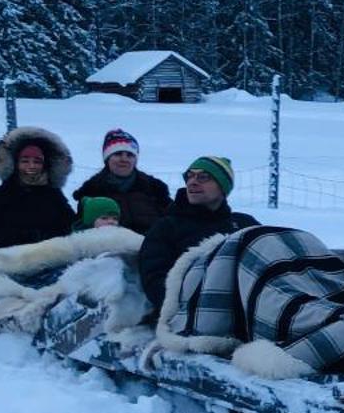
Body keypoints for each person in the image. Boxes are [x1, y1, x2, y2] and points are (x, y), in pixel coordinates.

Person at [137, 156, 260, 312]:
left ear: (223, 187)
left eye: (203, 177)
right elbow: (155, 281)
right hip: (190, 316)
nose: (192, 182)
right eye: (189, 176)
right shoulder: (167, 227)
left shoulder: (244, 224)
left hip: (248, 312)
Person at [0, 127, 77, 255]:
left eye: (37, 161)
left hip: (54, 264)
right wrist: (24, 238)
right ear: (13, 163)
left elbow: (72, 228)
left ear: (46, 165)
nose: (31, 166)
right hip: (5, 266)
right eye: (25, 161)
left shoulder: (54, 196)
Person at [72, 128, 172, 235]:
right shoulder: (92, 192)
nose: (124, 159)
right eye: (118, 154)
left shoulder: (155, 189)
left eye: (130, 155)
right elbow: (82, 231)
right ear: (107, 159)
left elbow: (172, 222)